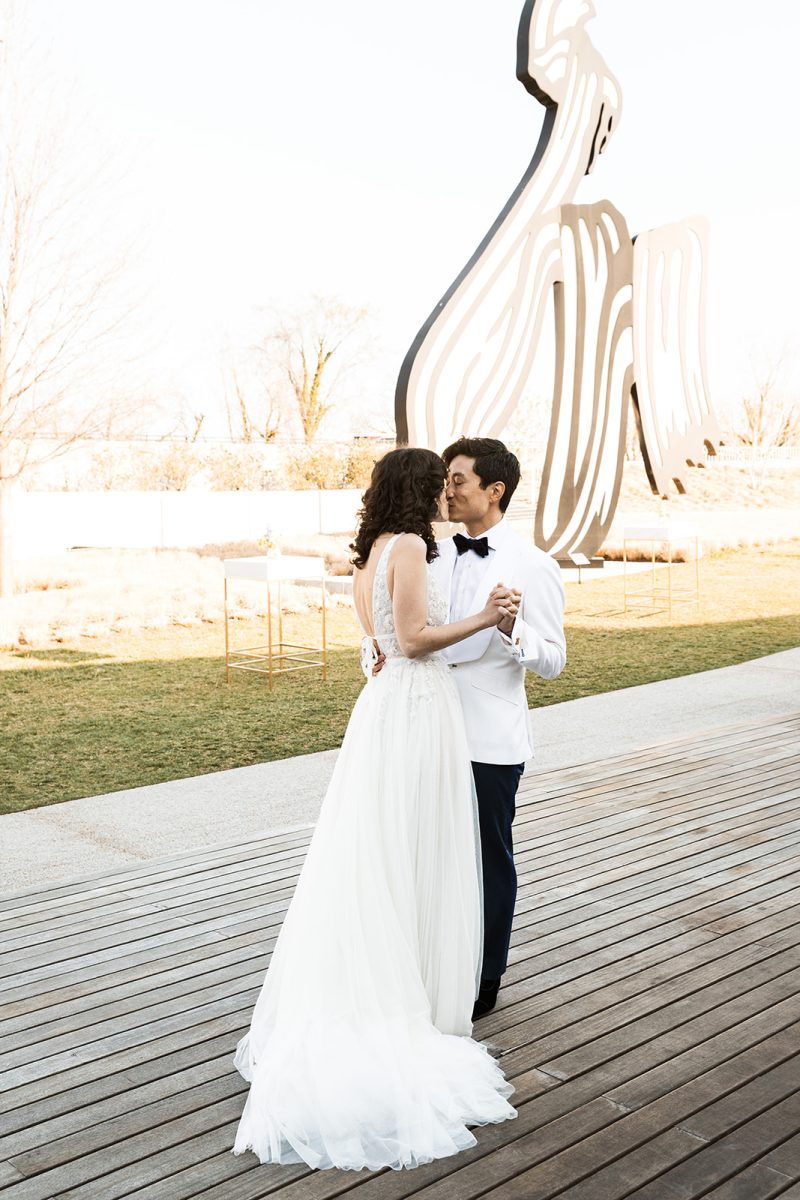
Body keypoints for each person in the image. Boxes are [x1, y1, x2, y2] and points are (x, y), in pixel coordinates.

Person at [232, 446, 519, 1172]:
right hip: (417, 707)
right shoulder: (416, 547)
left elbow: (379, 641)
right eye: (441, 482)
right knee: (414, 844)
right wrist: (486, 617)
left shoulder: (372, 553)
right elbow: (416, 641)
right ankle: (407, 999)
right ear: (421, 490)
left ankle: (392, 979)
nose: (448, 492)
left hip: (381, 710)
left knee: (378, 847)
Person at [433, 437, 566, 1020]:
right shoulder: (431, 554)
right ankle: (437, 959)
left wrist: (514, 630)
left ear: (494, 490)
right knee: (432, 851)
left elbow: (555, 660)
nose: (448, 489)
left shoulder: (534, 565)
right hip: (427, 727)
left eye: (458, 479)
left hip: (490, 738)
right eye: (446, 478)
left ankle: (486, 975)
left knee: (490, 857)